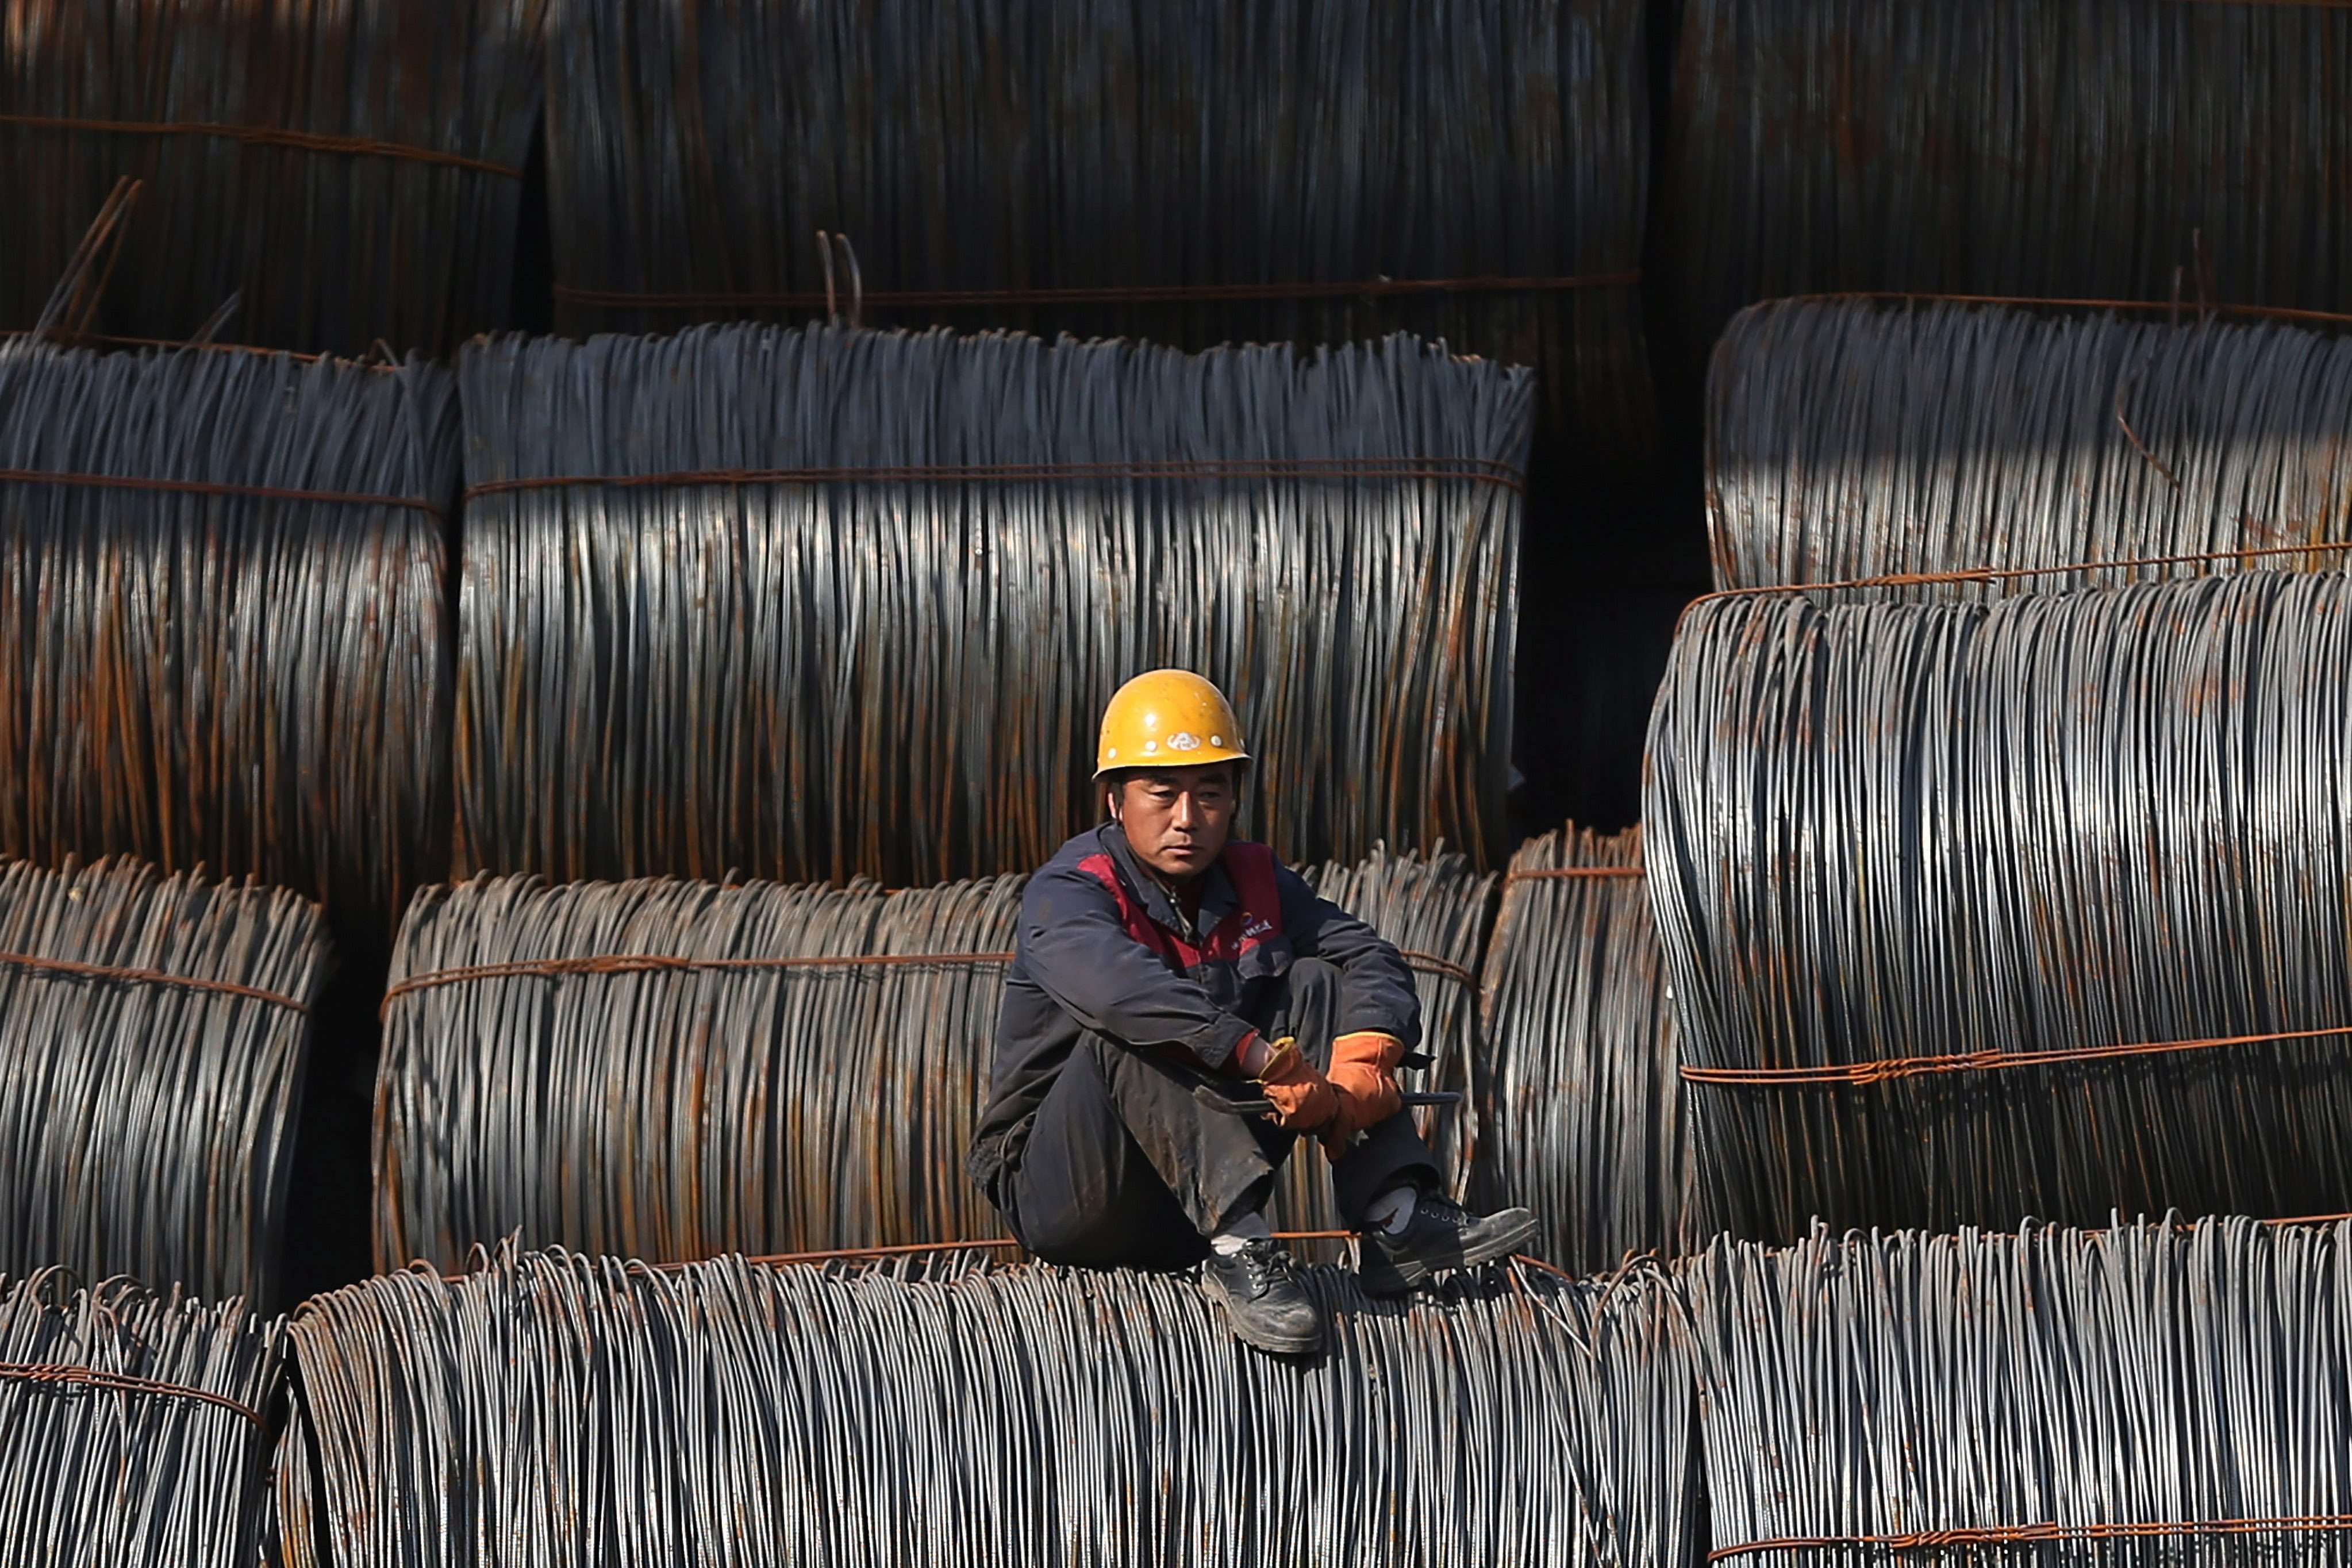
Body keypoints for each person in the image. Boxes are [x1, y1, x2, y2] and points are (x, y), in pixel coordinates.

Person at [967, 669, 1537, 1354]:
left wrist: (1367, 1056)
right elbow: (1123, 994)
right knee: (1138, 1027)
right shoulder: (1071, 891)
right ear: (1116, 800)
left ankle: (1397, 1216)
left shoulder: (1256, 880)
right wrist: (1263, 1059)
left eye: (1211, 793)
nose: (1188, 817)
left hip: (1189, 1194)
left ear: (1234, 798)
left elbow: (1368, 956)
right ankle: (1242, 1249)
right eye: (1162, 793)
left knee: (1317, 982)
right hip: (1078, 1192)